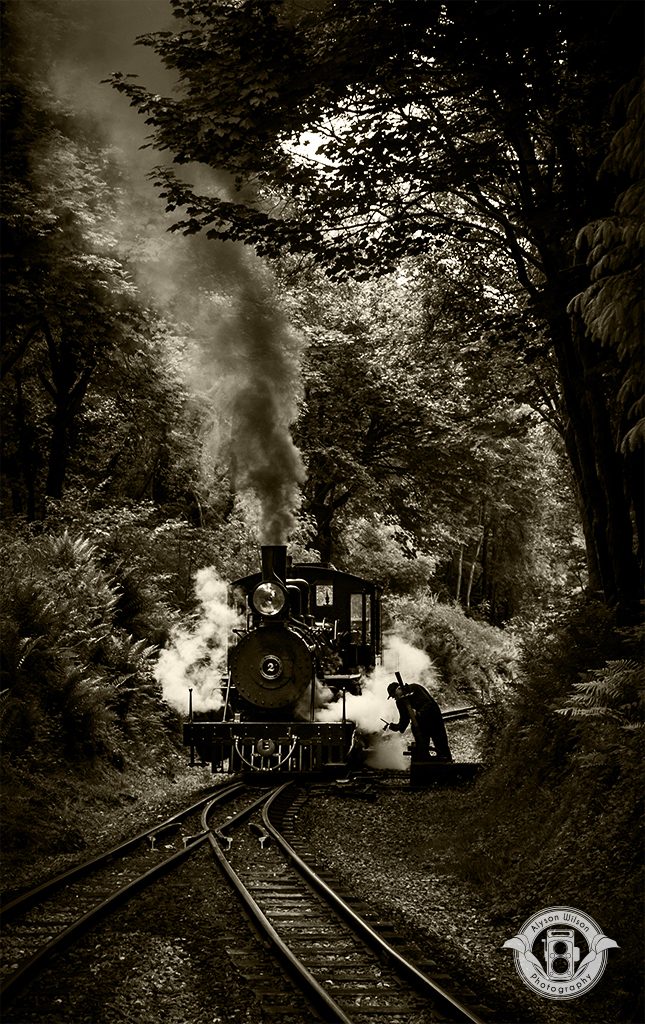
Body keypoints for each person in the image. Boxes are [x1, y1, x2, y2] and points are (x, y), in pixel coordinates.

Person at [386, 680, 453, 761]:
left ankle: (447, 763)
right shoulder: (400, 702)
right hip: (420, 726)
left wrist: (419, 713)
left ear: (398, 689)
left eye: (394, 695)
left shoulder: (415, 688)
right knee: (421, 749)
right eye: (393, 697)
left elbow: (429, 704)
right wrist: (394, 726)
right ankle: (425, 766)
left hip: (434, 720)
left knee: (441, 744)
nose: (395, 698)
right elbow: (404, 721)